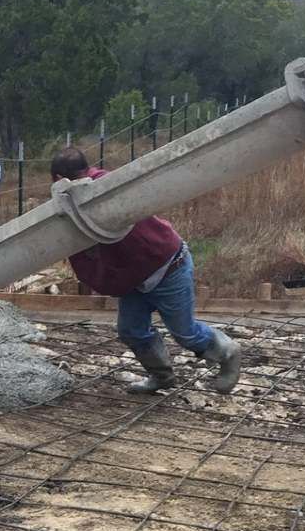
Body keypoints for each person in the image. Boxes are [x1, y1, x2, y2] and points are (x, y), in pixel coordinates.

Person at [49, 145, 240, 394]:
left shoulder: (107, 189)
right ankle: (162, 377)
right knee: (131, 330)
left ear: (57, 179)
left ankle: (228, 353)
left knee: (185, 334)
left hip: (168, 268)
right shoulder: (83, 199)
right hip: (134, 278)